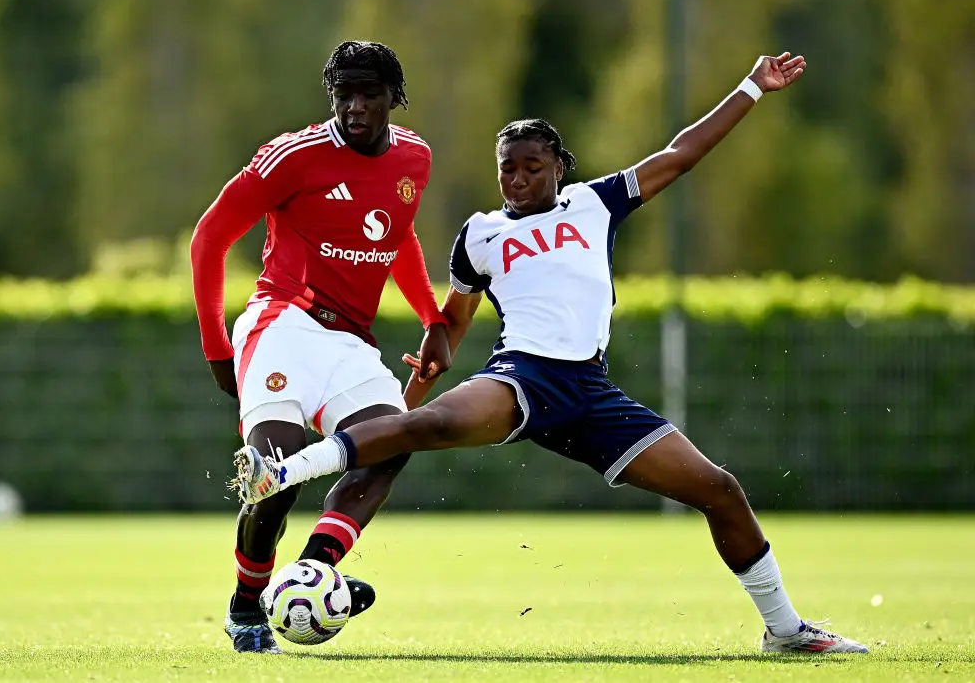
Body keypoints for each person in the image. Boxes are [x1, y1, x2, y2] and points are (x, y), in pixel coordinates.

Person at [233, 52, 870, 654]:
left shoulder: (596, 203)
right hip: (522, 377)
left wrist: (752, 86)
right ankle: (280, 474)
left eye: (532, 167)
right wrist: (430, 358)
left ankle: (785, 630)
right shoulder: (480, 235)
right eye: (507, 168)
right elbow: (452, 324)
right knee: (425, 425)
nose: (517, 179)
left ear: (559, 166)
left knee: (720, 490)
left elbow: (680, 154)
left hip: (590, 393)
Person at [190, 40, 452, 653]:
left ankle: (311, 574)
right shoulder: (293, 155)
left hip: (350, 343)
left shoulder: (414, 157)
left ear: (395, 97)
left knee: (391, 444)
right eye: (343, 94)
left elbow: (396, 236)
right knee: (275, 480)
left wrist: (432, 316)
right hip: (283, 326)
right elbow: (209, 239)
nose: (355, 106)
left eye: (369, 94)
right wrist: (217, 349)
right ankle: (247, 604)